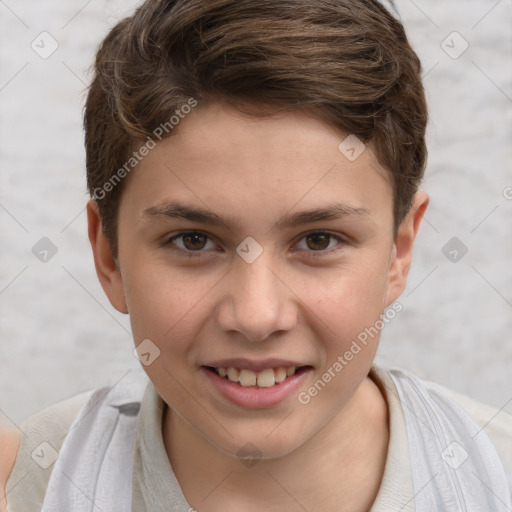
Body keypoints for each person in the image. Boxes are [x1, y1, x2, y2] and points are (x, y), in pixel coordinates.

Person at [1, 0, 511, 510]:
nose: (256, 316)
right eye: (193, 240)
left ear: (398, 253)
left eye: (318, 240)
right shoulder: (28, 483)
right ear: (108, 256)